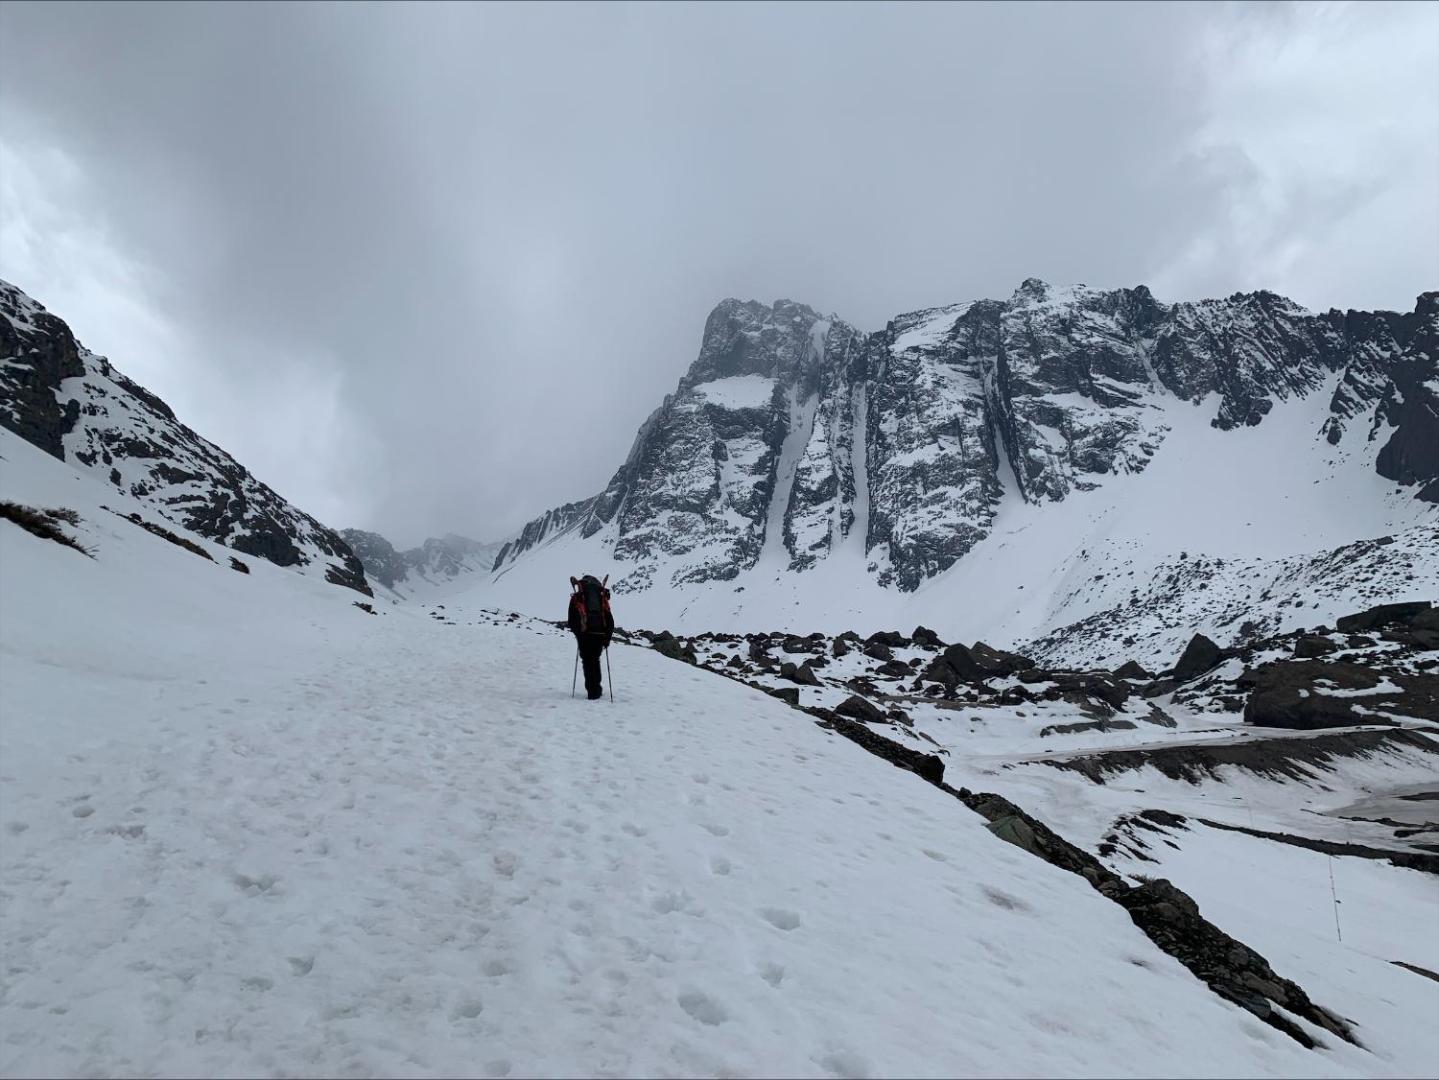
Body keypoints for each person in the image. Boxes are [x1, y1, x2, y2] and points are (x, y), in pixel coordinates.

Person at [567, 574, 614, 700]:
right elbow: (609, 620)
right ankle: (596, 690)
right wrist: (607, 639)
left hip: (585, 635)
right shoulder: (601, 597)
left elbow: (571, 620)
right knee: (595, 660)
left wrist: (579, 635)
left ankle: (592, 692)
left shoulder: (579, 596)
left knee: (587, 662)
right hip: (599, 634)